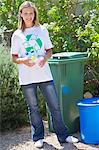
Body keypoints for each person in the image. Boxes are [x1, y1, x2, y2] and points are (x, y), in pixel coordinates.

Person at [11, 1, 78, 148]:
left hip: (45, 75)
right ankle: (38, 137)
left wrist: (44, 58)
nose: (28, 16)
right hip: (27, 78)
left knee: (55, 106)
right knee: (33, 108)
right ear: (21, 15)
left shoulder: (42, 30)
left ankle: (63, 136)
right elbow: (14, 57)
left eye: (31, 13)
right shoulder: (17, 35)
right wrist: (24, 61)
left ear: (34, 14)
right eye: (26, 13)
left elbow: (49, 50)